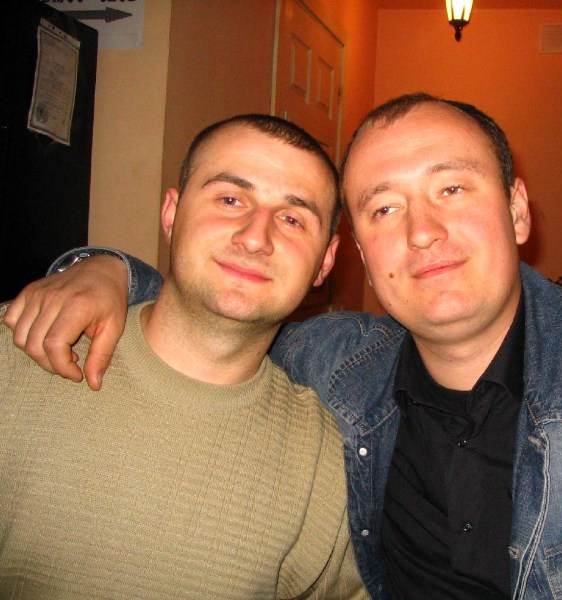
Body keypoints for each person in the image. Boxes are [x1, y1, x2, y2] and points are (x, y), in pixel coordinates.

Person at [5, 94, 562, 599]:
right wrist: (109, 272)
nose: (422, 232)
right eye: (384, 208)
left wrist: (104, 268)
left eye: (452, 189)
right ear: (353, 254)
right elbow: (219, 311)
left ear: (517, 211)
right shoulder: (335, 368)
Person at [0, 114, 367, 599]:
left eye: (292, 218)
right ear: (172, 215)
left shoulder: (328, 466)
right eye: (230, 199)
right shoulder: (19, 350)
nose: (256, 237)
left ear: (325, 261)